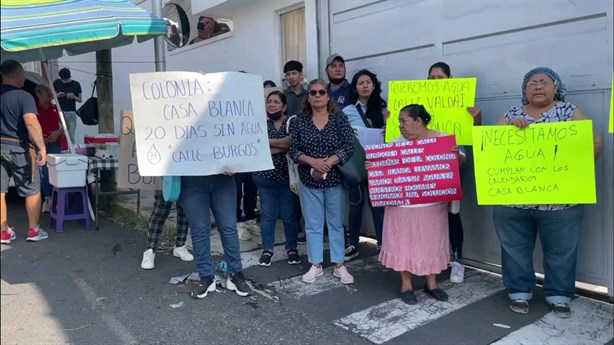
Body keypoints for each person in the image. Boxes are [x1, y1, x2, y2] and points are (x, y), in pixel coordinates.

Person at [493, 67, 602, 318]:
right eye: (532, 82)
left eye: (544, 81)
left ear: (556, 87)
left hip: (560, 202)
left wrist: (575, 174)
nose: (538, 86)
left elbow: (593, 143)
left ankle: (559, 295)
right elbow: (493, 148)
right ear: (524, 90)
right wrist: (508, 130)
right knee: (514, 247)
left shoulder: (568, 111)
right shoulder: (511, 113)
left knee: (561, 250)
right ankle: (519, 291)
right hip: (514, 201)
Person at [369, 104, 466, 305]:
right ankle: (406, 285)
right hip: (402, 208)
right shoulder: (396, 143)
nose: (401, 126)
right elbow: (383, 169)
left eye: (404, 121)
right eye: (399, 122)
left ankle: (432, 284)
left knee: (431, 243)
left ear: (418, 121)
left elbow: (461, 162)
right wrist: (373, 166)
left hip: (433, 206)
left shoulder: (443, 139)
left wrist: (456, 156)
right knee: (404, 244)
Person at [289, 79, 355, 284]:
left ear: (328, 95)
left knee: (335, 224)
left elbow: (349, 145)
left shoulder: (339, 118)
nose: (317, 96)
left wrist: (327, 164)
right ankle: (315, 264)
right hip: (309, 180)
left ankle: (339, 264)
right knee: (313, 224)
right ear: (308, 97)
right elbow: (294, 150)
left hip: (334, 180)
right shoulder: (299, 121)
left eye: (321, 92)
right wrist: (312, 162)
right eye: (313, 92)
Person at [426, 61, 482, 284]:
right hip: (425, 168)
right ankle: (432, 260)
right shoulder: (418, 105)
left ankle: (457, 261)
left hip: (453, 165)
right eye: (432, 78)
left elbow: (474, 141)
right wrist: (392, 122)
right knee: (428, 216)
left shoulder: (462, 106)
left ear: (451, 79)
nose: (437, 82)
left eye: (441, 77)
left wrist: (476, 121)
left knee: (453, 214)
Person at [178, 172, 252, 299]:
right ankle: (206, 276)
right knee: (199, 230)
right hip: (191, 181)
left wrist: (236, 164)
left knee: (228, 228)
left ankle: (235, 274)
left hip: (223, 179)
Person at [341, 69, 388, 260]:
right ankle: (353, 244)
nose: (365, 86)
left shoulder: (385, 110)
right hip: (357, 164)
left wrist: (388, 128)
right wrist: (350, 134)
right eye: (361, 83)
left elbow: (397, 136)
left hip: (378, 164)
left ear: (374, 85)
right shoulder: (347, 111)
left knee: (378, 205)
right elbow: (341, 137)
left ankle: (383, 243)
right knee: (356, 204)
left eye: (368, 82)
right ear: (355, 87)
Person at [1, 60, 48, 244]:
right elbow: (31, 122)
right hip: (18, 147)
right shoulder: (24, 96)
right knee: (32, 189)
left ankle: (3, 232)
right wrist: (42, 147)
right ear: (20, 75)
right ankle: (34, 230)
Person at [253, 91, 301, 266]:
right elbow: (257, 148)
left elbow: (292, 143)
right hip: (264, 178)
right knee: (268, 216)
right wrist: (281, 144)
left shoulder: (292, 122)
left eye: (276, 102)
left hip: (287, 179)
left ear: (284, 106)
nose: (271, 105)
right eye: (269, 102)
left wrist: (268, 142)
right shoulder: (259, 124)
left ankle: (292, 249)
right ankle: (267, 250)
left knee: (289, 216)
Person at [140, 190, 193, 270]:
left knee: (184, 209)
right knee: (160, 210)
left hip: (186, 178)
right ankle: (150, 249)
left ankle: (180, 245)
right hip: (165, 179)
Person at [35, 84, 67, 213]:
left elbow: (66, 126)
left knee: (54, 171)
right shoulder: (33, 109)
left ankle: (56, 199)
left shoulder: (56, 108)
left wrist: (58, 132)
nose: (49, 94)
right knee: (43, 172)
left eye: (50, 92)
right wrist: (39, 137)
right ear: (38, 94)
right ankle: (47, 199)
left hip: (55, 143)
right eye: (46, 92)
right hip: (39, 144)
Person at [53, 68, 81, 143]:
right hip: (60, 111)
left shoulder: (76, 84)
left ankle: (71, 151)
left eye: (67, 79)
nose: (65, 81)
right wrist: (57, 95)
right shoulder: (56, 83)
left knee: (71, 135)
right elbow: (51, 96)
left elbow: (80, 100)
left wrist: (74, 96)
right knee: (60, 134)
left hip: (71, 111)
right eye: (63, 80)